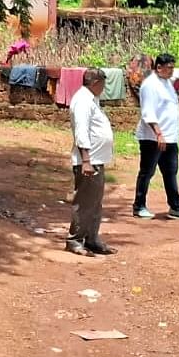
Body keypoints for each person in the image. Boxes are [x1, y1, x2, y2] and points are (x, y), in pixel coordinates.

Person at [132, 53, 179, 221]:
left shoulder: (167, 82)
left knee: (170, 172)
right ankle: (139, 206)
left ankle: (176, 206)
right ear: (159, 67)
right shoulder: (150, 85)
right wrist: (158, 133)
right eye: (169, 68)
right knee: (147, 171)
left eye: (173, 68)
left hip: (170, 136)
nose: (172, 71)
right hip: (153, 137)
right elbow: (148, 112)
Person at [67, 69, 116, 257]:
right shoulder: (82, 101)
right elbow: (81, 131)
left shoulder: (91, 100)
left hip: (96, 159)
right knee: (85, 202)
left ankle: (92, 239)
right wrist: (86, 161)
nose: (104, 87)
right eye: (103, 83)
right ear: (96, 82)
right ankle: (75, 240)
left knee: (95, 203)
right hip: (88, 161)